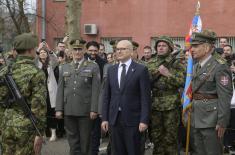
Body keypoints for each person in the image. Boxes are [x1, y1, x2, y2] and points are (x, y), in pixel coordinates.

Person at [101, 40, 151, 155]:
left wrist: (144, 120)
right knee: (117, 151)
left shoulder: (141, 69)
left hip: (133, 120)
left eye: (123, 49)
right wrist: (105, 118)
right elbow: (107, 96)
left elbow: (145, 98)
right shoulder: (111, 70)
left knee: (133, 151)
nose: (119, 51)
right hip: (115, 120)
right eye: (117, 49)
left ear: (131, 51)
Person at [0, 33, 46, 155]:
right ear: (31, 50)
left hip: (6, 124)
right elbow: (39, 107)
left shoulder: (4, 71)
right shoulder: (36, 73)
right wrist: (39, 133)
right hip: (27, 128)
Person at [190, 29, 233, 155]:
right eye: (192, 46)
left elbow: (225, 96)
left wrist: (222, 122)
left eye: (196, 46)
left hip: (211, 120)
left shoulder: (220, 66)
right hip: (196, 117)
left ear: (207, 47)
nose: (192, 49)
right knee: (199, 151)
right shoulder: (196, 66)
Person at [55, 39, 100, 155]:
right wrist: (59, 109)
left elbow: (96, 90)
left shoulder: (93, 66)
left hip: (85, 111)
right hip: (69, 109)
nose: (77, 51)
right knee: (72, 142)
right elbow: (60, 89)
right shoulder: (64, 67)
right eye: (75, 49)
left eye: (80, 49)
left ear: (84, 50)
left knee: (86, 142)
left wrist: (94, 109)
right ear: (71, 51)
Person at [147, 36, 185, 155]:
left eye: (164, 46)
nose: (161, 48)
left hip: (171, 105)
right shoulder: (150, 62)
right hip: (155, 104)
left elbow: (183, 82)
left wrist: (168, 74)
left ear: (170, 48)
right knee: (156, 136)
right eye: (159, 46)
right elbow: (145, 82)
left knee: (170, 137)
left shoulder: (177, 62)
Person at [85, 41, 107, 155]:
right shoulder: (80, 62)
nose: (93, 53)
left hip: (98, 101)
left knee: (95, 131)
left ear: (98, 51)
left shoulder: (103, 63)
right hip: (83, 102)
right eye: (90, 50)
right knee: (84, 131)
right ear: (86, 50)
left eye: (95, 50)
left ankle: (94, 151)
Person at [37, 47, 59, 142]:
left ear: (47, 54)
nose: (42, 54)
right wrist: (38, 49)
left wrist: (50, 50)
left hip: (50, 92)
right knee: (41, 113)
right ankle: (43, 134)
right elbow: (33, 58)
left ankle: (53, 133)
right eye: (40, 52)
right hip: (40, 92)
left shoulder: (51, 64)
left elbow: (55, 59)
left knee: (51, 112)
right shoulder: (36, 64)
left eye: (44, 52)